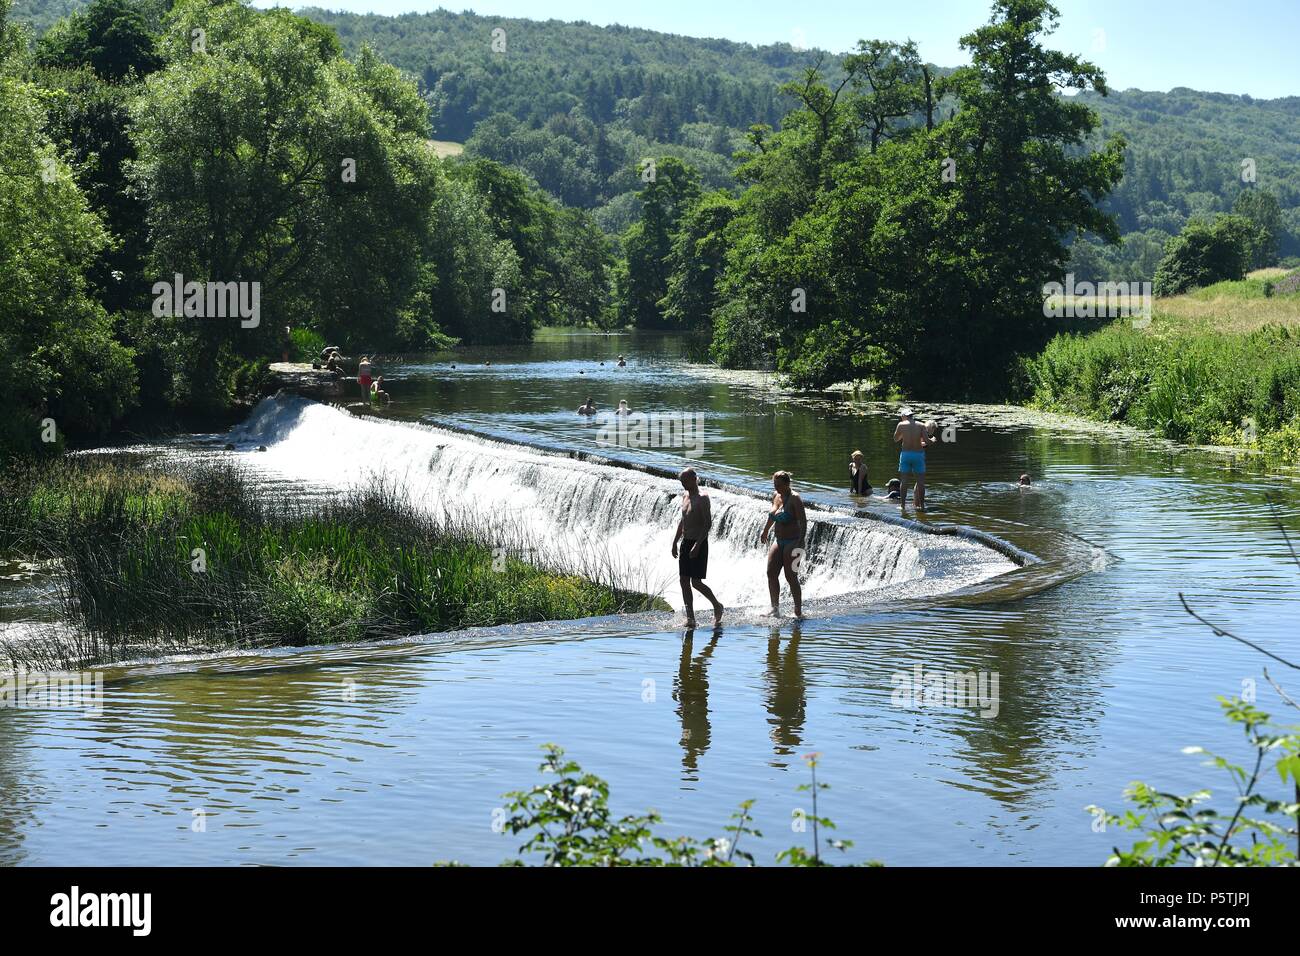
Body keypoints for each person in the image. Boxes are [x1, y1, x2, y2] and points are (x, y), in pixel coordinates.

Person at [672, 468, 724, 627]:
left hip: (699, 543)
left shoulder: (703, 498)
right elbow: (683, 521)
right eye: (681, 482)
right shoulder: (685, 496)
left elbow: (707, 523)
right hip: (685, 542)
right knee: (683, 581)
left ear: (694, 479)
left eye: (685, 481)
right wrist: (675, 542)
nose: (683, 485)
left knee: (696, 582)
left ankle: (717, 605)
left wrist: (697, 545)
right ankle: (690, 618)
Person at [760, 471, 806, 618]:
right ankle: (775, 608)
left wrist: (801, 542)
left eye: (779, 485)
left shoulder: (795, 499)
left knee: (790, 576)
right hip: (778, 540)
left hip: (794, 541)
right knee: (771, 572)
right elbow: (772, 516)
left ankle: (797, 610)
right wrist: (765, 530)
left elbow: (803, 522)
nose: (776, 487)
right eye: (774, 484)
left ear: (787, 484)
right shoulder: (776, 496)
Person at [893, 407, 929, 508]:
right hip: (918, 454)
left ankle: (903, 505)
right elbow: (927, 441)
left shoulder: (901, 425)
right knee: (920, 482)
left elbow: (895, 439)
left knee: (904, 481)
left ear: (904, 416)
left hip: (906, 454)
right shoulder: (921, 425)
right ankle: (922, 506)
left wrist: (903, 435)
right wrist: (933, 440)